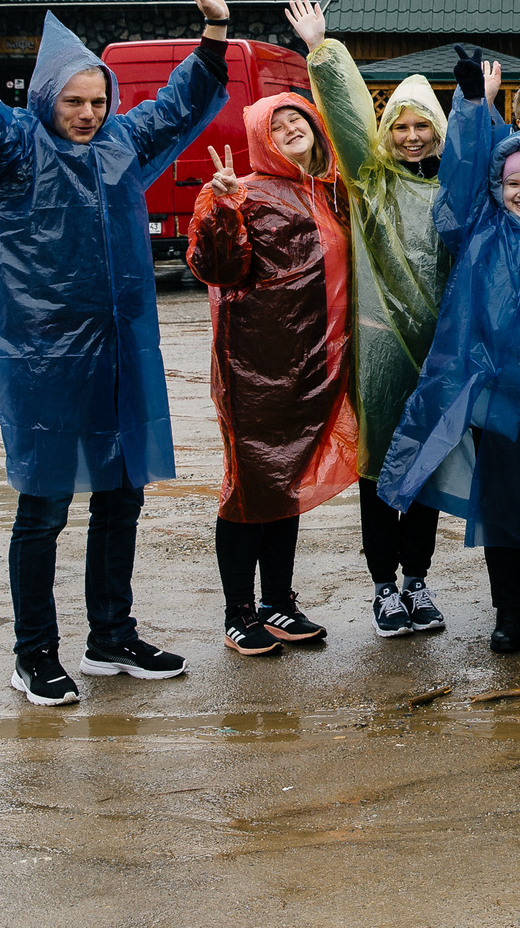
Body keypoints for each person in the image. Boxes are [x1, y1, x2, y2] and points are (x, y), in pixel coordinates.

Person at [0, 0, 230, 708]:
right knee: (44, 506)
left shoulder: (120, 146)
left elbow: (177, 104)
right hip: (45, 360)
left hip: (120, 354)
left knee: (121, 493)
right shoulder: (9, 150)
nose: (91, 113)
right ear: (48, 99)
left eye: (99, 100)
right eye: (77, 101)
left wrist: (216, 29)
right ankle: (34, 654)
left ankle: (110, 635)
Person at [378, 67, 520, 658]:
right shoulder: (478, 228)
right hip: (500, 402)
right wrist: (473, 106)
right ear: (498, 188)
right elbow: (459, 176)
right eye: (512, 182)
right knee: (503, 516)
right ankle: (508, 612)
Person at [291, 0, 452, 642]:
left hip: (437, 351)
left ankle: (418, 580)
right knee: (382, 469)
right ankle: (385, 587)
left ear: (440, 132)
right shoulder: (372, 183)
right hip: (382, 353)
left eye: (424, 127)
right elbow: (351, 120)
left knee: (428, 470)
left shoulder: (453, 187)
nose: (412, 136)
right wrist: (323, 50)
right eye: (401, 126)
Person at [186, 94, 362, 658]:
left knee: (284, 483)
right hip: (255, 370)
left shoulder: (331, 191)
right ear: (260, 138)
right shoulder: (250, 193)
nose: (290, 129)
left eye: (299, 119)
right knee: (249, 487)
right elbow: (218, 269)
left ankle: (277, 602)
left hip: (316, 366)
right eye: (276, 125)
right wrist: (219, 210)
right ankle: (239, 611)